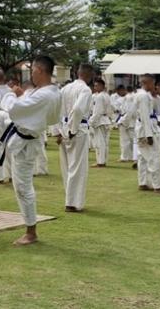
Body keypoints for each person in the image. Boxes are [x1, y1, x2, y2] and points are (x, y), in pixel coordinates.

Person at [0, 56, 62, 244]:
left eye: (32, 71)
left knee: (23, 187)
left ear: (39, 70)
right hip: (25, 137)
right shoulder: (50, 92)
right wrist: (22, 95)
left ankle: (31, 231)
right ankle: (30, 229)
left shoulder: (45, 94)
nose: (31, 74)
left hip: (26, 142)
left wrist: (13, 95)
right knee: (21, 185)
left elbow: (13, 108)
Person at [56, 63, 94, 212]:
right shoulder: (85, 89)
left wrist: (58, 131)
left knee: (67, 167)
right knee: (77, 167)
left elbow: (57, 110)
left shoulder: (65, 89)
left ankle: (69, 199)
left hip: (66, 127)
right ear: (89, 75)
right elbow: (78, 109)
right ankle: (72, 203)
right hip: (77, 130)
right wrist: (73, 128)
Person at [134, 74, 160, 193]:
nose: (154, 86)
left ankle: (143, 182)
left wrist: (155, 96)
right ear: (147, 83)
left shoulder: (147, 96)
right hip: (145, 130)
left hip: (145, 128)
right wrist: (149, 135)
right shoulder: (142, 96)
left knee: (142, 158)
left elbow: (158, 111)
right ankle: (157, 186)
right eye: (153, 84)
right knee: (154, 157)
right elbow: (144, 116)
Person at [90, 79, 112, 167]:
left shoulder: (99, 97)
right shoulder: (107, 95)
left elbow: (97, 111)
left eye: (97, 85)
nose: (95, 87)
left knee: (100, 143)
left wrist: (91, 121)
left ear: (102, 86)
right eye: (94, 86)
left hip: (100, 120)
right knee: (104, 142)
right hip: (105, 119)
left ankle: (100, 162)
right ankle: (103, 160)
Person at [114, 85, 137, 164]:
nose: (118, 93)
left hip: (127, 120)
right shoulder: (132, 97)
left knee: (125, 140)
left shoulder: (129, 98)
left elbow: (129, 111)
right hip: (131, 120)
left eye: (119, 91)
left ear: (123, 90)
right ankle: (131, 156)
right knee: (132, 140)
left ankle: (125, 157)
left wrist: (123, 121)